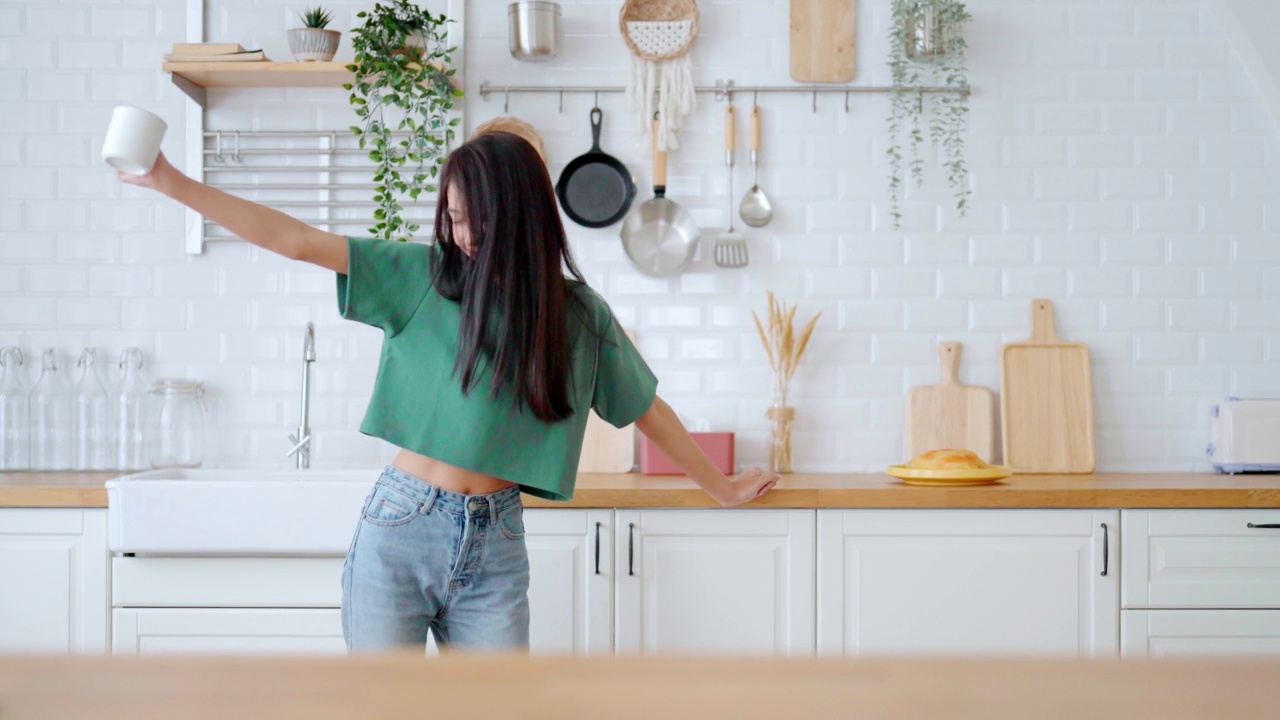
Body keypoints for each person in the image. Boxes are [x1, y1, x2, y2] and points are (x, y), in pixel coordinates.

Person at [115, 133, 779, 654]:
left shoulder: (576, 315)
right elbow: (296, 242)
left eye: (477, 221)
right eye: (454, 218)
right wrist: (168, 181)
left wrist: (717, 487)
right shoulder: (424, 276)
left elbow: (646, 411)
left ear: (520, 217)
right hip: (398, 528)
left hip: (497, 542)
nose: (462, 236)